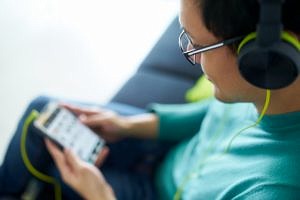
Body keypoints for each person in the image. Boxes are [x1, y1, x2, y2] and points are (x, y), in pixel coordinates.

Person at [1, 0, 300, 199]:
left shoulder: (272, 190)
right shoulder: (262, 90)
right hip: (171, 154)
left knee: (52, 166)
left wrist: (101, 195)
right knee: (43, 113)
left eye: (197, 47)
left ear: (264, 59)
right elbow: (212, 114)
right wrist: (129, 126)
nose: (192, 59)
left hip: (156, 193)